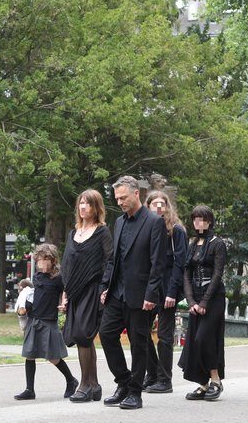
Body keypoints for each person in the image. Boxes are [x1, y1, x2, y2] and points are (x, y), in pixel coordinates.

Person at [98, 176, 166, 410]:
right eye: (117, 198)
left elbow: (158, 263)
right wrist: (105, 287)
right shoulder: (118, 223)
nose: (120, 202)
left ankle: (135, 392)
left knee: (139, 344)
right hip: (117, 292)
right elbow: (113, 259)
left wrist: (151, 295)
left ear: (136, 194)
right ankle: (124, 382)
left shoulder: (154, 222)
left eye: (123, 197)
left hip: (141, 295)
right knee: (106, 334)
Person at [61, 189, 113, 402]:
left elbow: (110, 261)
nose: (83, 207)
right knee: (83, 337)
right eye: (81, 203)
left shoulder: (102, 232)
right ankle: (94, 385)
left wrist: (105, 287)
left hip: (93, 289)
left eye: (88, 204)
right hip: (74, 291)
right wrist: (65, 290)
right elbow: (67, 264)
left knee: (83, 334)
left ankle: (84, 385)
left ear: (96, 208)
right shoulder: (73, 233)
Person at [14, 244, 78, 400]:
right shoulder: (37, 277)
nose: (39, 263)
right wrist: (25, 307)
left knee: (53, 356)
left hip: (49, 321)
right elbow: (37, 298)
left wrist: (65, 303)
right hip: (34, 320)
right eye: (38, 260)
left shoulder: (58, 278)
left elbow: (67, 292)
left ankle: (71, 380)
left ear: (52, 260)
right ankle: (30, 389)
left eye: (43, 259)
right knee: (29, 354)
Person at [177, 204, 226, 401]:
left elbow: (217, 274)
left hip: (213, 298)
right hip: (195, 298)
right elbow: (186, 274)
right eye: (195, 219)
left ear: (209, 221)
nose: (198, 222)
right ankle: (203, 384)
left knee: (204, 338)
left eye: (202, 219)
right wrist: (191, 301)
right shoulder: (192, 244)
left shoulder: (217, 243)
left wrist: (205, 301)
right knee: (194, 342)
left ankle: (216, 381)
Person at [143, 190, 187, 394]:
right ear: (148, 206)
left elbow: (180, 263)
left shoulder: (176, 231)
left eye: (162, 204)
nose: (158, 207)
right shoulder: (145, 228)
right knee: (140, 331)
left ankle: (164, 379)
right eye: (154, 204)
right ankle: (151, 373)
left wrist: (172, 292)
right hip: (148, 288)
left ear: (167, 207)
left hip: (168, 288)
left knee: (164, 335)